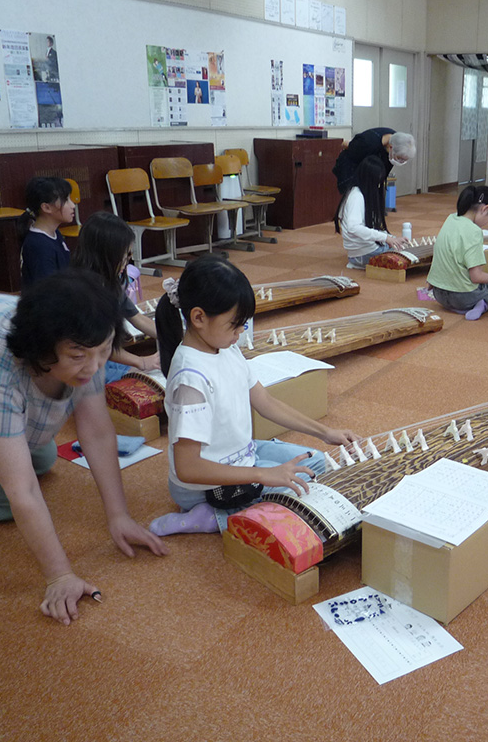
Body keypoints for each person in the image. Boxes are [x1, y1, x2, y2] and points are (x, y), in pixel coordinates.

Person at [0, 270, 168, 624]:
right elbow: (20, 491)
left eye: (104, 351)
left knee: (44, 456)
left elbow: (98, 433)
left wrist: (119, 516)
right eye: (79, 356)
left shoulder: (86, 338)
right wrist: (60, 575)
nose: (95, 366)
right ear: (41, 350)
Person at [148, 256, 359, 536]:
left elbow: (265, 402)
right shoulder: (191, 380)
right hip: (203, 486)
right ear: (198, 318)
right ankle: (212, 516)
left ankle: (249, 489)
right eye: (235, 324)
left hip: (242, 454)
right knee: (295, 489)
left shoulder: (225, 347)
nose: (241, 332)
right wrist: (263, 474)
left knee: (317, 462)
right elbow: (188, 468)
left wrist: (325, 432)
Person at [71, 211, 161, 382]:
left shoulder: (110, 281)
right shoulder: (83, 292)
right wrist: (142, 362)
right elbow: (98, 347)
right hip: (83, 365)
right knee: (142, 380)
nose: (127, 262)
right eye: (125, 256)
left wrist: (178, 338)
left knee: (142, 375)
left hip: (101, 358)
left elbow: (137, 318)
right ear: (106, 255)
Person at [426, 185, 488, 321]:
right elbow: (476, 277)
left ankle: (460, 308)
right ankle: (481, 305)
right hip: (462, 298)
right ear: (485, 209)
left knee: (486, 283)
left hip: (438, 294)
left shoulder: (451, 218)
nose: (487, 223)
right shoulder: (474, 231)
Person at [334, 155, 407, 269]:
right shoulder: (356, 196)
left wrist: (391, 238)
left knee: (402, 248)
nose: (379, 186)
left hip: (367, 250)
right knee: (403, 257)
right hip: (363, 254)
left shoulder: (360, 193)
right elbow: (353, 227)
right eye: (377, 182)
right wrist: (386, 238)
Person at [20, 176, 74, 290]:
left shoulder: (55, 233)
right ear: (46, 207)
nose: (73, 205)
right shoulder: (39, 245)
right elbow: (47, 291)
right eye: (66, 200)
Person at [333, 128, 416, 194]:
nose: (400, 161)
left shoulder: (398, 140)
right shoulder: (367, 142)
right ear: (391, 148)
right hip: (350, 169)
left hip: (369, 174)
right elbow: (348, 146)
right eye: (399, 158)